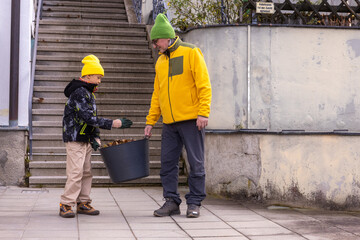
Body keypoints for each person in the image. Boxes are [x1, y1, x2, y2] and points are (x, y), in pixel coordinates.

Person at [144, 14, 212, 218]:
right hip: (170, 123)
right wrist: (151, 121)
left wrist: (203, 112)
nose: (156, 46)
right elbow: (158, 93)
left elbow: (204, 84)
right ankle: (171, 201)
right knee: (167, 164)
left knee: (196, 162)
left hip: (192, 120)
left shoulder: (191, 52)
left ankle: (195, 202)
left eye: (156, 41)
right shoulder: (160, 63)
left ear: (166, 37)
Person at [59, 54, 133, 218]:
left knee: (86, 172)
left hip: (84, 138)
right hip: (75, 138)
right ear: (87, 75)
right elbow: (88, 117)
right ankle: (66, 204)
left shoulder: (89, 93)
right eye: (98, 77)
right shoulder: (79, 92)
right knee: (76, 172)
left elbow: (91, 117)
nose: (99, 81)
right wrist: (113, 123)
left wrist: (95, 136)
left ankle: (83, 202)